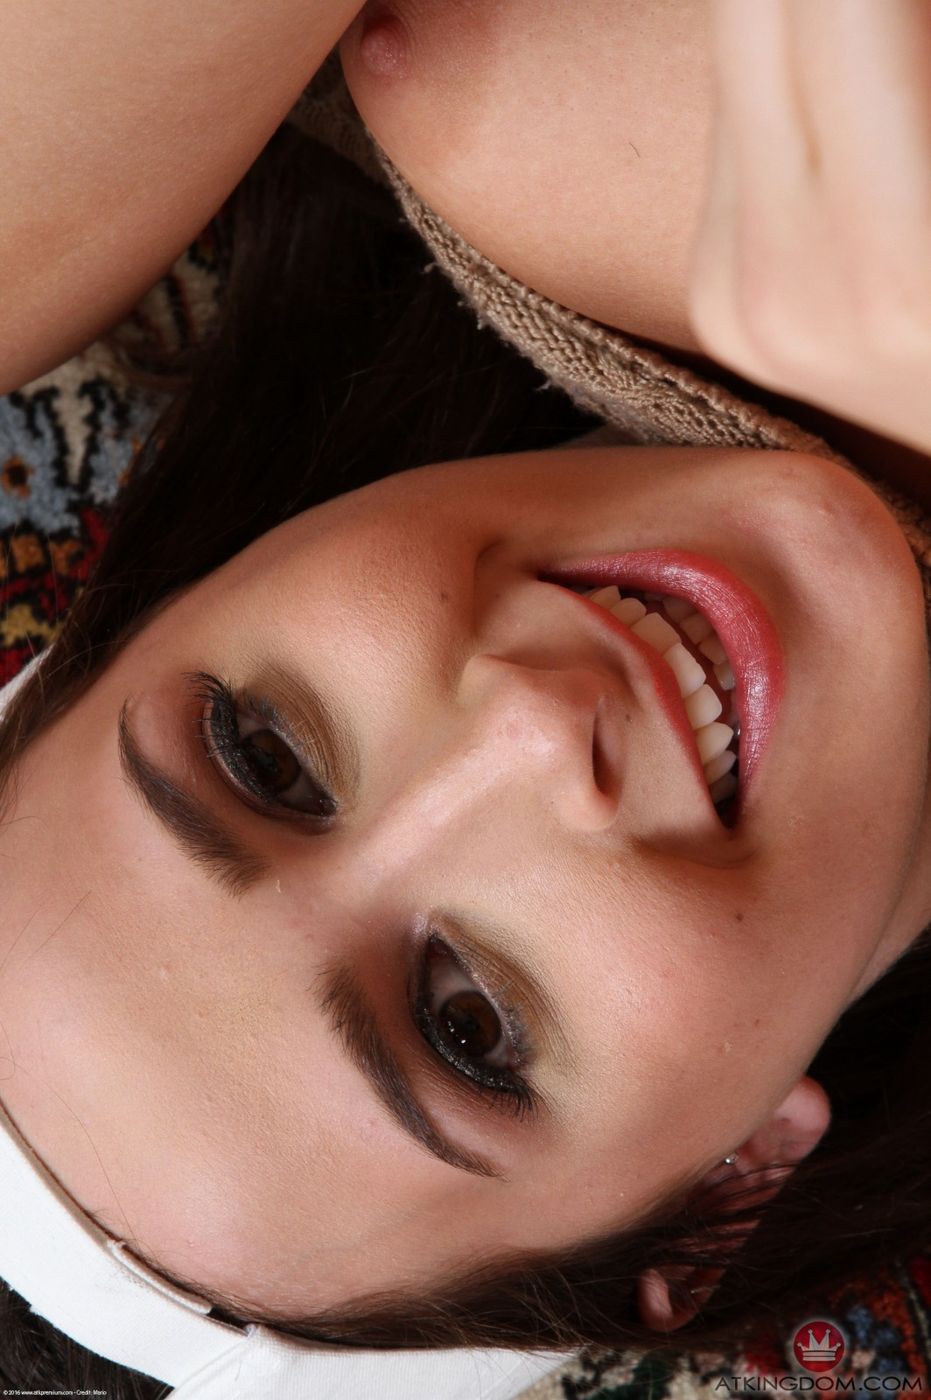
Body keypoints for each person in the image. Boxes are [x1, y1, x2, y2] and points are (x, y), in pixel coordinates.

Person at [0, 2, 929, 1397]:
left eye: (266, 756)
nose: (529, 724)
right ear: (731, 1183)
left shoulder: (524, 91)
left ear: (180, 590)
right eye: (471, 1027)